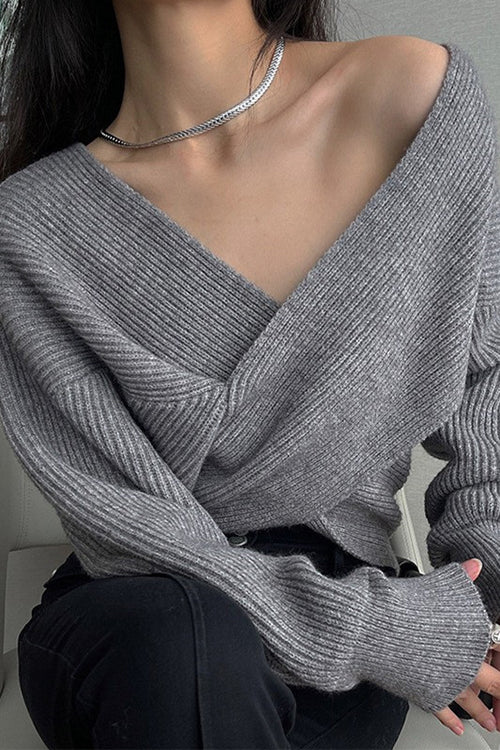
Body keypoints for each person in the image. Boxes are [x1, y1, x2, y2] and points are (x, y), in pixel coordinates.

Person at [1, 1, 500, 748]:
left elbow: (489, 390)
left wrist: (480, 608)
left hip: (348, 637)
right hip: (134, 617)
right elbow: (125, 526)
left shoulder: (414, 100)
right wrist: (378, 631)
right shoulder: (29, 224)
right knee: (179, 641)